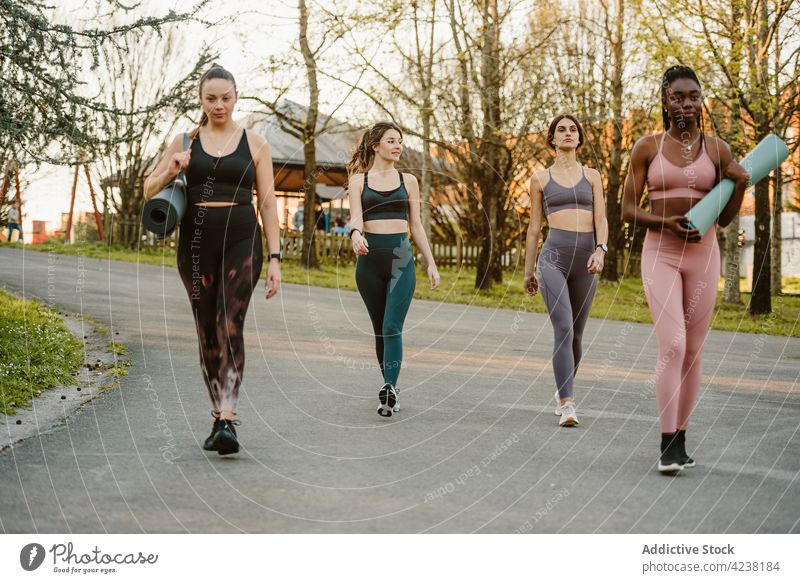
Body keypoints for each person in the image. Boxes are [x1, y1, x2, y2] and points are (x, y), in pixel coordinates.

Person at [143, 63, 282, 455]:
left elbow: (269, 204)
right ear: (201, 99)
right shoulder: (185, 140)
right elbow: (147, 188)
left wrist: (274, 257)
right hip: (196, 243)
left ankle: (227, 419)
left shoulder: (255, 144)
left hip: (243, 239)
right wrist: (171, 169)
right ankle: (216, 412)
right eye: (211, 98)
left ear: (236, 98)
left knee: (230, 323)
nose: (219, 105)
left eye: (225, 98)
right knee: (207, 330)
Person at [622, 65, 749, 473]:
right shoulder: (647, 146)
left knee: (693, 353)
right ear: (665, 100)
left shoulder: (718, 150)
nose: (687, 104)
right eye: (678, 96)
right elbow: (625, 209)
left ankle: (680, 441)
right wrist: (664, 223)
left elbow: (726, 219)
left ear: (701, 100)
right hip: (661, 251)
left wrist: (740, 184)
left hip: (704, 255)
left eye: (693, 96)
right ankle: (665, 443)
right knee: (673, 345)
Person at [347, 122, 440, 417]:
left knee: (391, 327)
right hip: (368, 264)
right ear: (376, 145)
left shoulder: (408, 180)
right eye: (391, 141)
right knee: (379, 331)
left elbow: (416, 225)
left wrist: (431, 263)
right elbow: (355, 219)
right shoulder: (358, 181)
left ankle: (389, 389)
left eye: (400, 141)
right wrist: (355, 235)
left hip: (401, 258)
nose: (398, 145)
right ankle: (390, 389)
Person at [523, 114, 608, 427]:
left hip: (587, 260)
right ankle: (568, 403)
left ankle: (563, 389)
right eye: (561, 129)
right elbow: (534, 229)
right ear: (552, 139)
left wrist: (601, 250)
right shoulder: (540, 179)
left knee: (577, 335)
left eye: (573, 129)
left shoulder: (594, 176)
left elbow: (602, 219)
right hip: (552, 260)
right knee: (563, 327)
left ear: (579, 138)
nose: (568, 133)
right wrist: (528, 271)